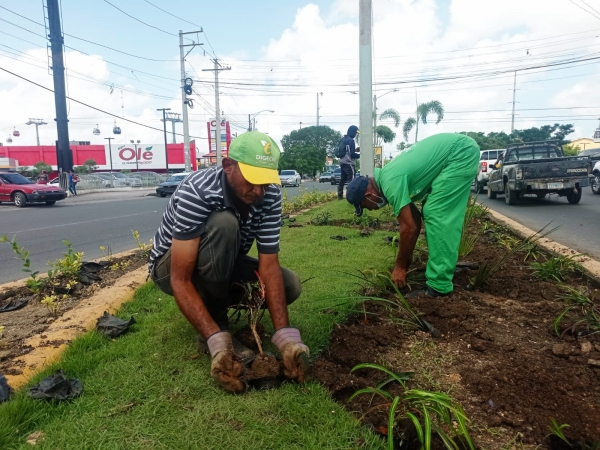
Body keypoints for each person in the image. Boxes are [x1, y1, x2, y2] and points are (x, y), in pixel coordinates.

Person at [149, 131, 310, 393]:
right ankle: (215, 327)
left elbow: (268, 266)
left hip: (223, 260)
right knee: (224, 223)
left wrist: (285, 338)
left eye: (265, 182)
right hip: (171, 269)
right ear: (228, 166)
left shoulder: (268, 195)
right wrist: (218, 342)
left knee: (290, 283)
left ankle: (218, 316)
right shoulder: (198, 190)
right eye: (251, 180)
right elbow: (180, 278)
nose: (258, 191)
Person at [345, 133, 480, 297]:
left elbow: (408, 228)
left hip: (460, 153)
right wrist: (406, 262)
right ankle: (442, 270)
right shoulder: (388, 177)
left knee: (437, 213)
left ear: (369, 195)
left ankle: (439, 286)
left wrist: (400, 267)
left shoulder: (390, 182)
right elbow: (414, 222)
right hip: (458, 151)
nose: (372, 209)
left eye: (365, 206)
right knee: (431, 211)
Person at [337, 125, 360, 199]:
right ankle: (351, 196)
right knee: (352, 179)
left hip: (342, 162)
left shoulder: (343, 139)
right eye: (355, 133)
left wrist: (355, 150)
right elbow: (351, 154)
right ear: (353, 132)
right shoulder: (350, 140)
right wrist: (361, 155)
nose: (355, 135)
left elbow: (347, 151)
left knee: (342, 179)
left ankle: (340, 196)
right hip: (348, 163)